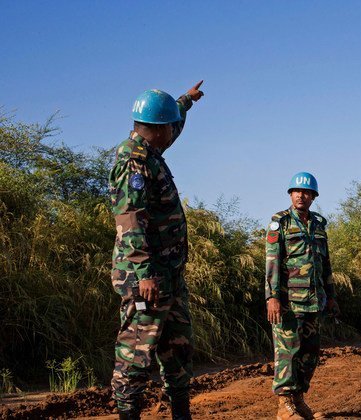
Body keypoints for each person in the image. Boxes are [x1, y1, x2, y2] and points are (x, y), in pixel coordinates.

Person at [109, 81, 204, 420]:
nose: (173, 133)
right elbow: (130, 219)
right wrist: (145, 272)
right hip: (145, 277)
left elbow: (174, 124)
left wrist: (187, 101)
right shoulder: (133, 160)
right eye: (169, 126)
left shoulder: (151, 152)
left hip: (170, 275)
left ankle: (181, 414)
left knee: (177, 348)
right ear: (158, 129)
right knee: (136, 352)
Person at [265, 172, 339, 420]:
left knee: (310, 355)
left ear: (313, 197)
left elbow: (325, 264)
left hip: (314, 302)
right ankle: (284, 407)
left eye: (307, 192)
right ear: (290, 194)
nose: (301, 195)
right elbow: (272, 263)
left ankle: (298, 400)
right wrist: (272, 297)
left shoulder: (318, 224)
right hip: (288, 303)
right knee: (287, 353)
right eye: (297, 191)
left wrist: (331, 295)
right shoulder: (280, 222)